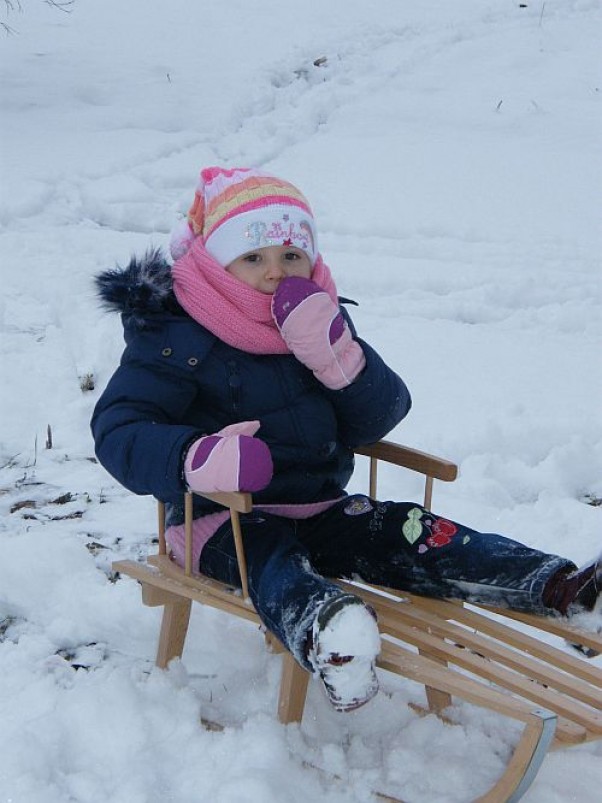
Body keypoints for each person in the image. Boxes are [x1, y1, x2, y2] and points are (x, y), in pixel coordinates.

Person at [92, 166, 601, 712]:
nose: (274, 273)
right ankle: (330, 635)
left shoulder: (313, 317)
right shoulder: (175, 337)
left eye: (292, 256)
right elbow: (120, 427)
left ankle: (557, 589)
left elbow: (377, 419)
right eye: (253, 257)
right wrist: (196, 457)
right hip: (217, 520)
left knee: (409, 529)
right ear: (217, 264)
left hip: (320, 507)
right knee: (271, 557)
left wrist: (338, 359)